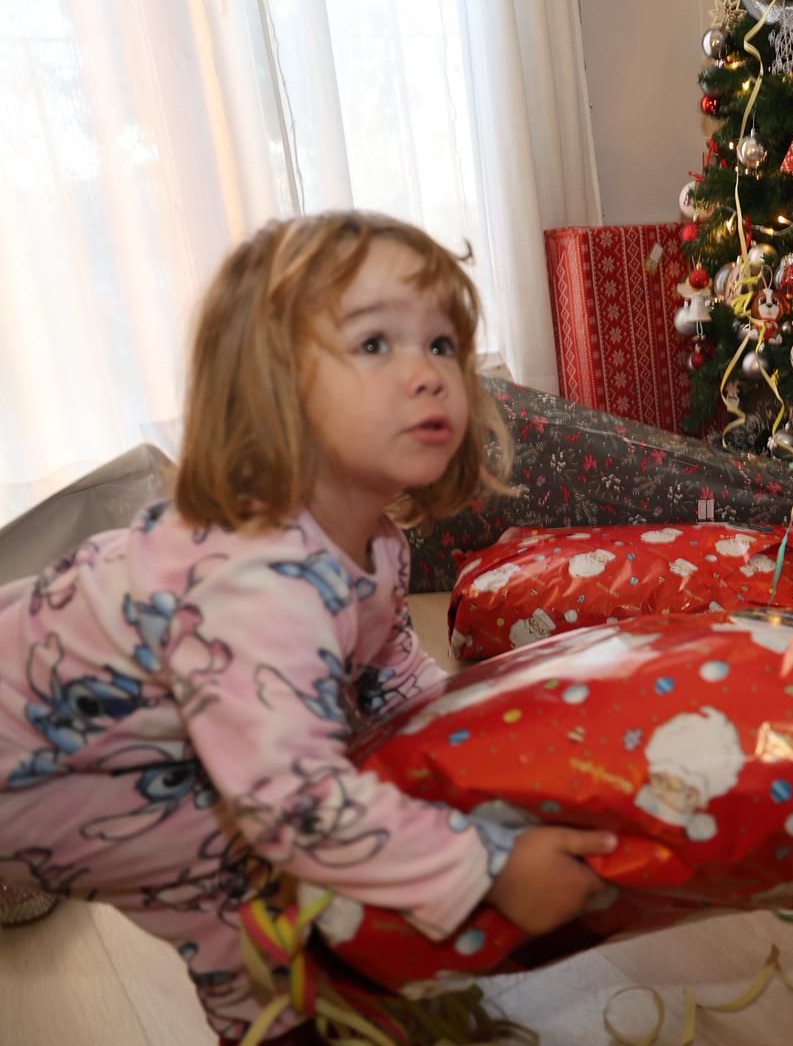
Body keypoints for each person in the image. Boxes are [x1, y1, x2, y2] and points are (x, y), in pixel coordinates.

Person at [0, 212, 617, 1041]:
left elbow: (391, 671)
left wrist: (490, 759)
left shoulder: (375, 547)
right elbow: (294, 805)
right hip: (30, 747)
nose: (430, 374)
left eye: (442, 345)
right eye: (374, 345)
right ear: (272, 385)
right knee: (264, 869)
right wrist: (488, 867)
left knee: (247, 902)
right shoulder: (258, 586)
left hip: (145, 763)